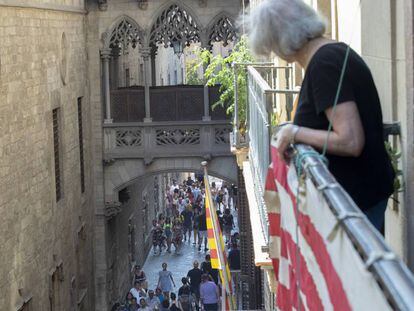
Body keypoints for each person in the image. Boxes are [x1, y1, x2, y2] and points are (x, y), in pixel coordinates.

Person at [246, 0, 395, 232]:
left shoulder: (325, 64)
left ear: (282, 41)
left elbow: (351, 141)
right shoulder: (330, 54)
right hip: (357, 202)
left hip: (355, 208)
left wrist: (295, 132)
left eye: (271, 45)